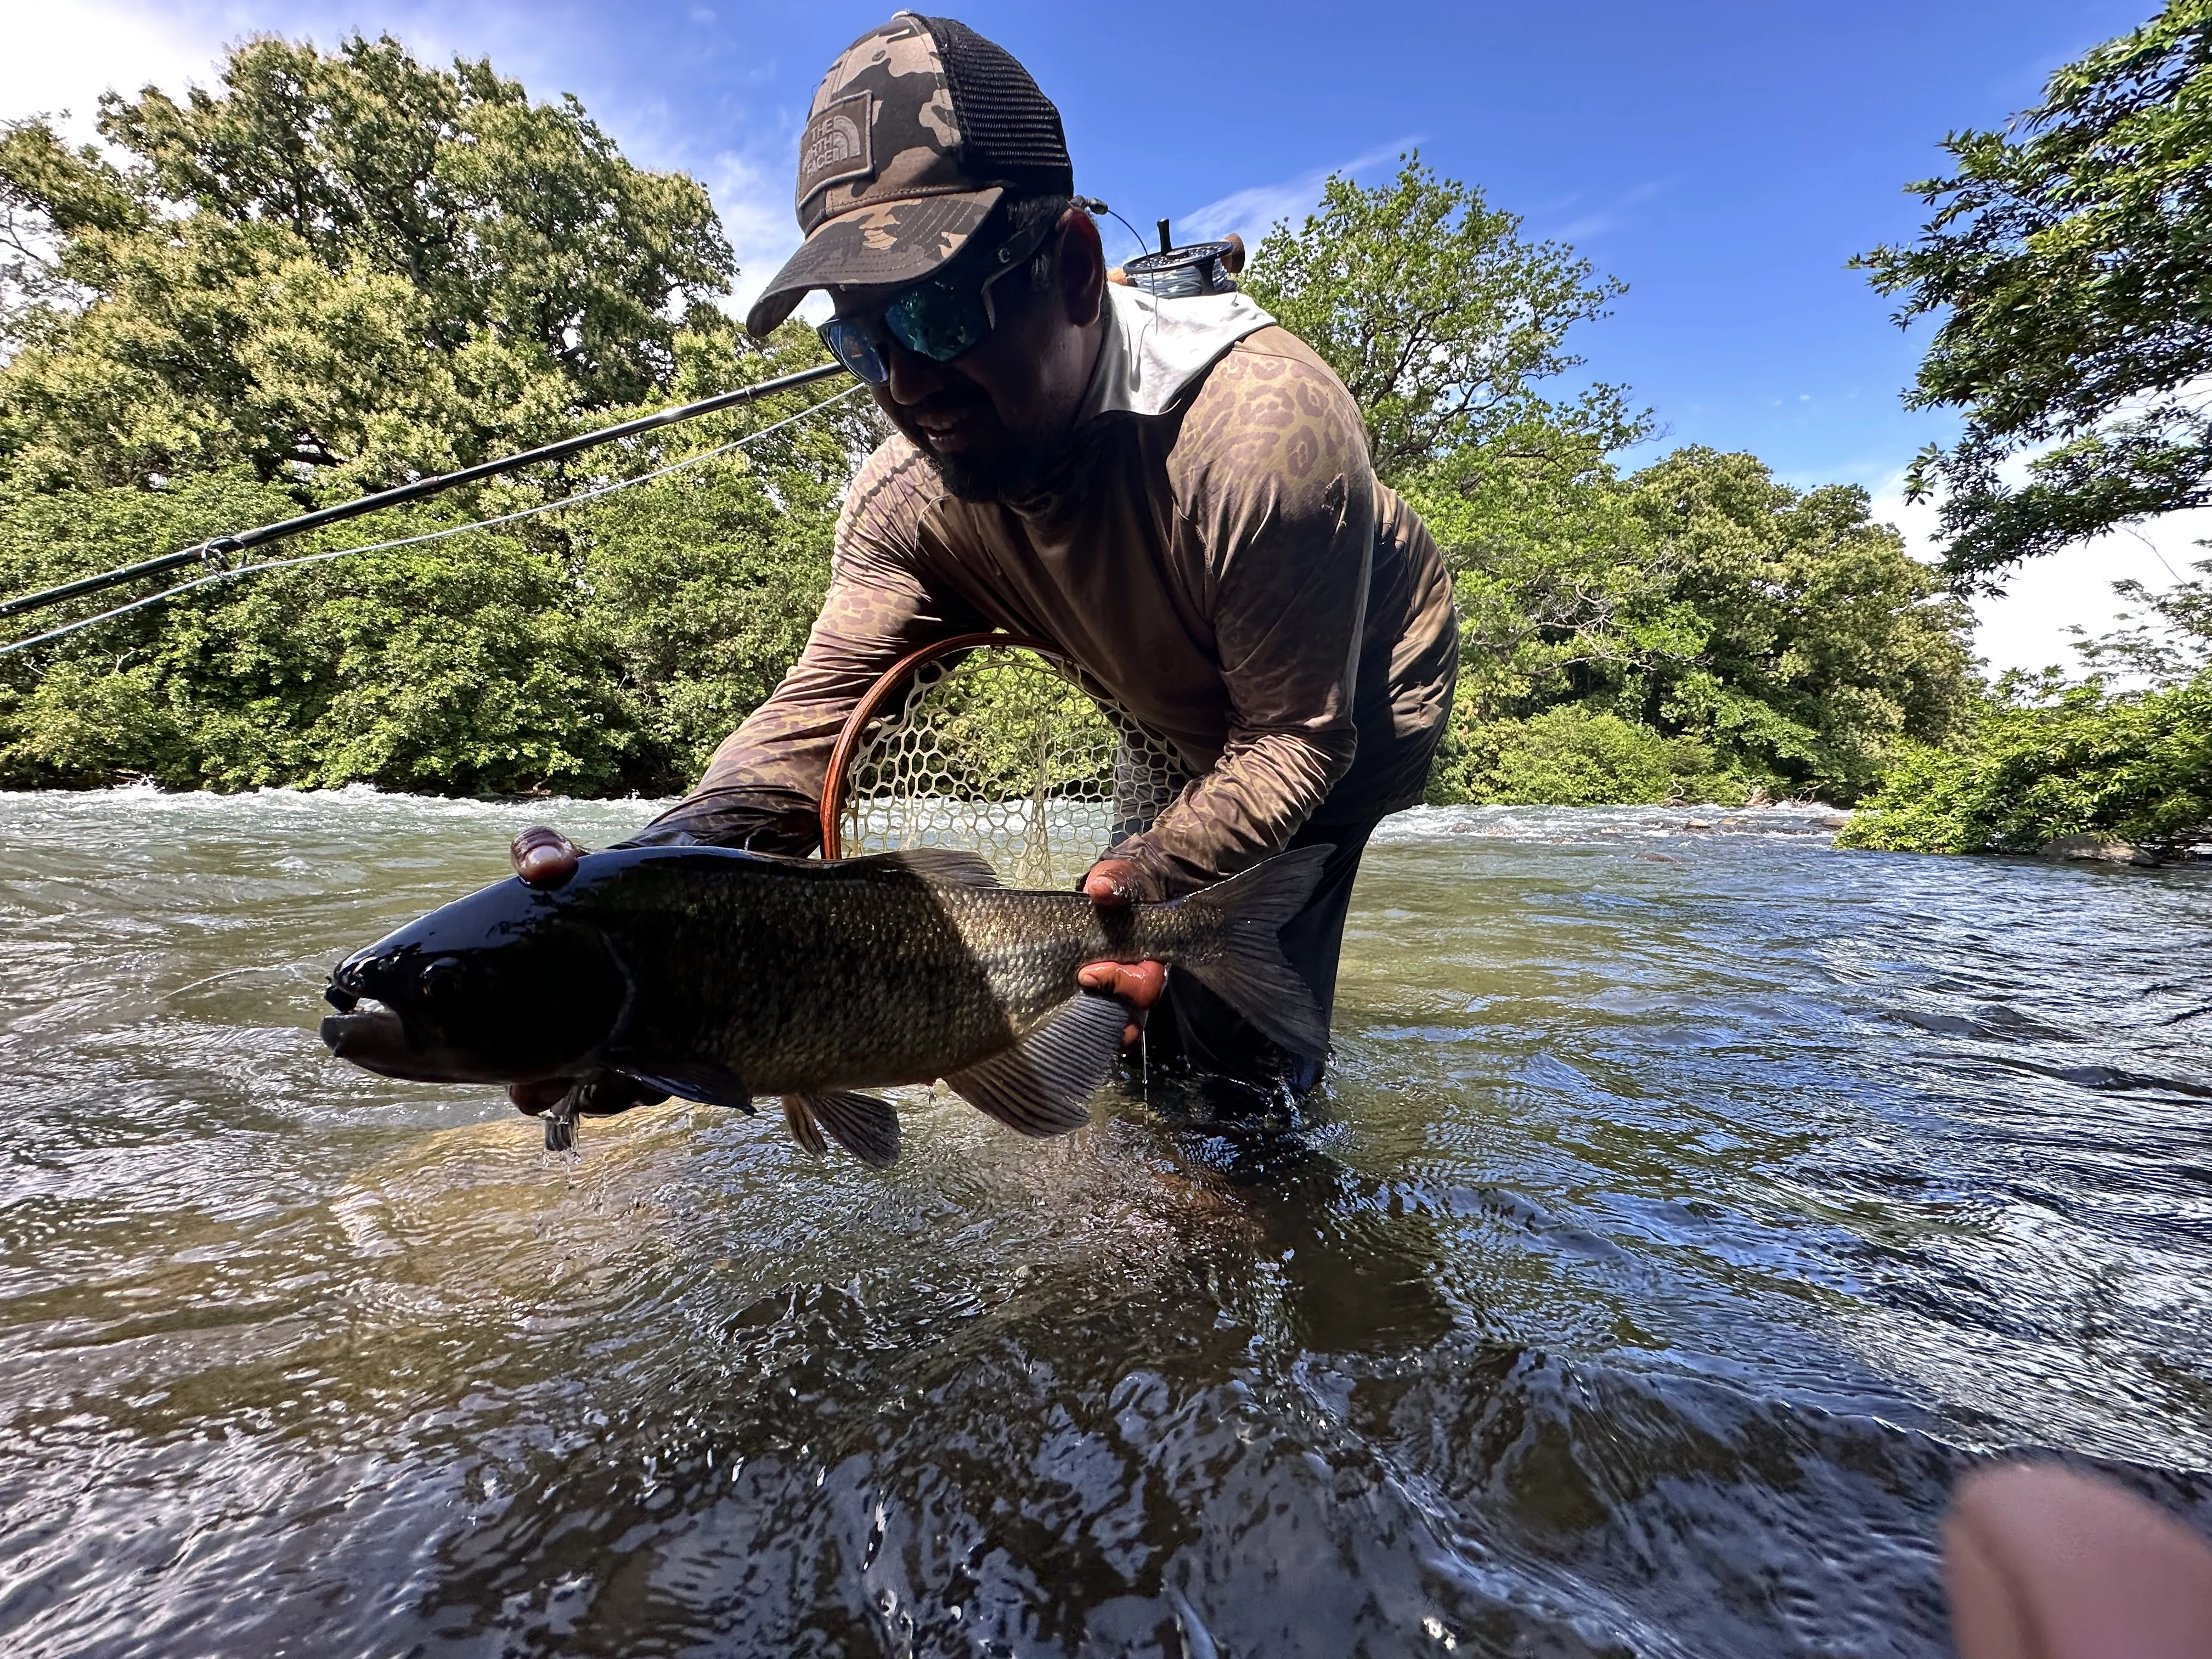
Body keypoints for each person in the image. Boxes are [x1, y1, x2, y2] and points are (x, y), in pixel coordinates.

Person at [507, 13, 1458, 1131]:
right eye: (860, 338)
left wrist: (1153, 877)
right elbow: (811, 720)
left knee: (1230, 1084)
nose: (905, 382)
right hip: (1156, 696)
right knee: (1121, 995)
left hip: (1345, 698)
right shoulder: (904, 494)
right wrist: (655, 875)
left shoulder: (1263, 436)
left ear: (1069, 268)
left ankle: (1249, 1175)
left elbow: (1298, 740)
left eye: (936, 306)